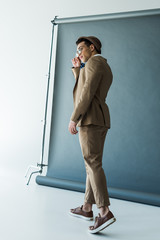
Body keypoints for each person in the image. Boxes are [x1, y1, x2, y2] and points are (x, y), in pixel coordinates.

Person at [68, 36, 116, 234]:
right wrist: (78, 69)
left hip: (90, 119)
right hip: (99, 119)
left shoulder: (95, 63)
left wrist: (74, 118)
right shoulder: (97, 65)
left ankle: (104, 211)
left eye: (81, 49)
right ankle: (87, 208)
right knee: (92, 163)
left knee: (92, 163)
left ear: (92, 47)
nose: (78, 53)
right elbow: (86, 87)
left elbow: (85, 93)